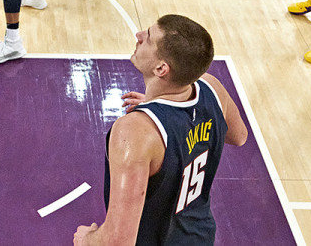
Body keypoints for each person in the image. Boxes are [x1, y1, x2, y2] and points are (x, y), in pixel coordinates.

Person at [73, 15, 248, 245]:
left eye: (148, 38)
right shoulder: (211, 87)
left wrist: (86, 240)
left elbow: (117, 241)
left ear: (161, 68)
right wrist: (162, 106)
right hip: (199, 236)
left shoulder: (137, 132)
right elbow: (239, 136)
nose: (139, 36)